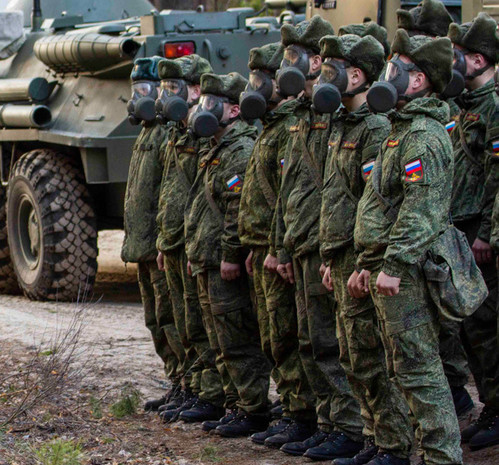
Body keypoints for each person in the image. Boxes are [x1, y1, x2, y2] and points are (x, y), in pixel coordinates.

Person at [354, 30, 462, 465]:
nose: (387, 75)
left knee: (420, 371)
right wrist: (367, 261)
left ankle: (442, 459)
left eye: (395, 68)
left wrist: (394, 264)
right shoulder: (400, 130)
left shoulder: (423, 136)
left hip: (411, 274)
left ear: (418, 80)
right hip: (390, 267)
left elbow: (422, 210)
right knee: (404, 370)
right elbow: (381, 204)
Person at [315, 25, 414, 465]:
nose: (320, 76)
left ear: (355, 77)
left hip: (364, 259)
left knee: (372, 354)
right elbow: (335, 197)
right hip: (342, 257)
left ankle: (393, 443)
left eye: (331, 69)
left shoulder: (374, 128)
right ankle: (372, 437)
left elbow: (375, 204)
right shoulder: (343, 122)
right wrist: (330, 256)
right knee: (353, 354)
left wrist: (365, 262)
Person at [271, 16, 365, 459]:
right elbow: (289, 191)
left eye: (300, 57)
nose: (292, 66)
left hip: (331, 246)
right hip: (306, 243)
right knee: (310, 342)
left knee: (333, 344)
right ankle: (325, 422)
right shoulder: (302, 117)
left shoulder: (340, 119)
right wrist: (283, 246)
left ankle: (347, 425)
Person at [396, 0, 475, 418]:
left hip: (449, 219)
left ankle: (457, 399)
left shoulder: (446, 93)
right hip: (428, 217)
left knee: (451, 324)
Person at [183, 72, 272, 435]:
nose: (202, 110)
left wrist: (230, 254)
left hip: (223, 262)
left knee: (236, 338)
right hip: (206, 257)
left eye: (212, 104)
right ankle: (234, 403)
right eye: (202, 102)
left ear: (234, 110)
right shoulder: (214, 148)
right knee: (218, 338)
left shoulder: (239, 151)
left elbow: (237, 210)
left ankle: (252, 407)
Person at [238, 41, 317, 447]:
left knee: (292, 336)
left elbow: (289, 197)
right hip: (267, 247)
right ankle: (291, 409)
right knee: (274, 337)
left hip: (284, 249)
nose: (256, 87)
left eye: (262, 80)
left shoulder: (290, 126)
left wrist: (277, 248)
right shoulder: (270, 126)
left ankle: (302, 414)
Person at [153, 55, 236, 423]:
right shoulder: (176, 133)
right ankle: (191, 386)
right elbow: (171, 195)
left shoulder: (205, 137)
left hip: (204, 246)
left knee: (211, 329)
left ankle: (213, 394)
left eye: (173, 89)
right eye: (163, 89)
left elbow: (207, 198)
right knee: (184, 322)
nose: (165, 96)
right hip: (181, 242)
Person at [447, 13, 499, 452]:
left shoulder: (494, 107)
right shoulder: (465, 106)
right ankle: (490, 406)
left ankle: (498, 409)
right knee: (471, 327)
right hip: (461, 232)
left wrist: (485, 233)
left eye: (458, 56)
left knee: (487, 326)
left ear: (479, 59)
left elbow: (496, 176)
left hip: (481, 236)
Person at [122, 56, 184, 412]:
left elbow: (170, 195)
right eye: (134, 91)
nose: (138, 98)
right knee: (155, 320)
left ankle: (190, 385)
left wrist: (164, 241)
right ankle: (177, 382)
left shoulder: (165, 134)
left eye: (144, 90)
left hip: (158, 247)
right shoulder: (146, 132)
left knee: (172, 318)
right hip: (141, 247)